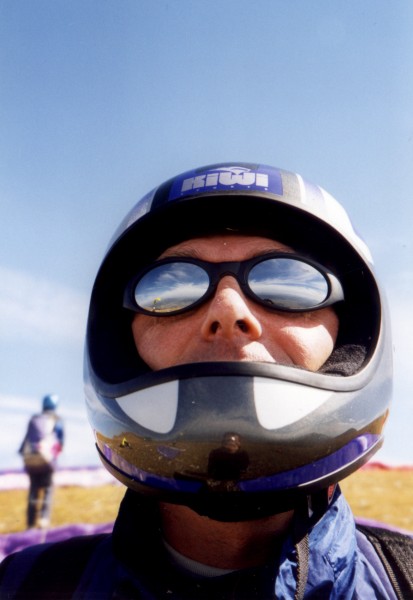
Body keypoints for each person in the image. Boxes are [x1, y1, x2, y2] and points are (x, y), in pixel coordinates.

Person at [1, 162, 412, 598]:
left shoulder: (403, 580)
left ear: (351, 331)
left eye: (289, 282)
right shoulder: (25, 585)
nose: (228, 310)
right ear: (120, 340)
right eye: (170, 287)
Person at [18, 393, 64, 529]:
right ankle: (43, 520)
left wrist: (23, 453)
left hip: (31, 460)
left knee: (33, 491)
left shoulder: (34, 419)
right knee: (48, 490)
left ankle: (30, 524)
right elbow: (60, 442)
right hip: (47, 461)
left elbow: (26, 439)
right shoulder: (56, 420)